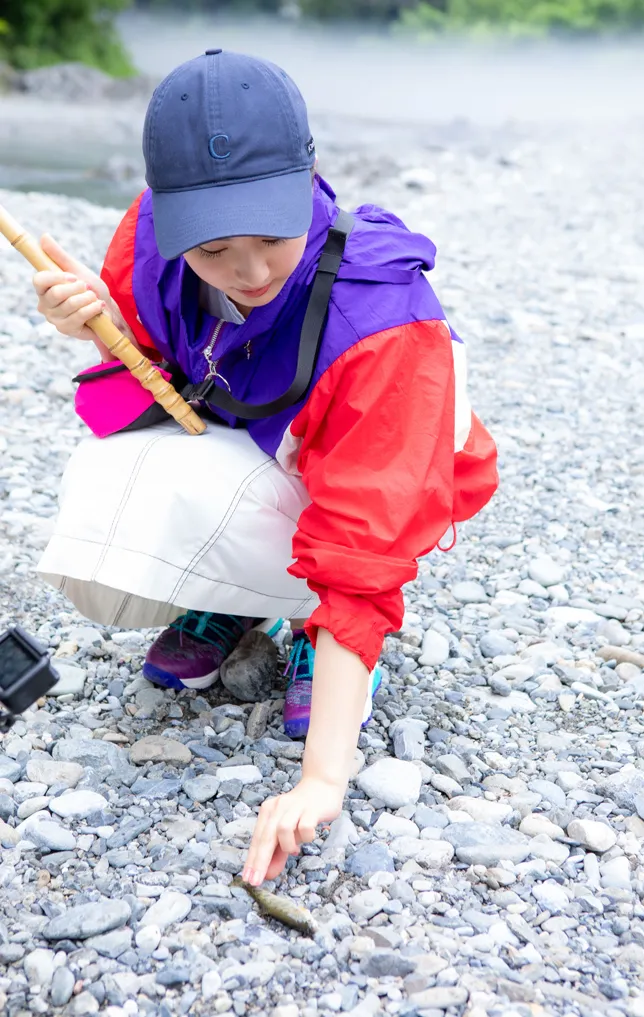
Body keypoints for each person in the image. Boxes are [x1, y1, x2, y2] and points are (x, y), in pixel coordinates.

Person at [32, 49, 498, 886]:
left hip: (380, 481)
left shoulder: (382, 318)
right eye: (213, 250)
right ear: (170, 218)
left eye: (273, 238)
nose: (249, 274)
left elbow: (366, 538)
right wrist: (96, 325)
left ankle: (317, 636)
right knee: (108, 483)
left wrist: (322, 780)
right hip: (264, 446)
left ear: (309, 175)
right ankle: (236, 602)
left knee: (336, 565)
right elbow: (154, 376)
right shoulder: (150, 237)